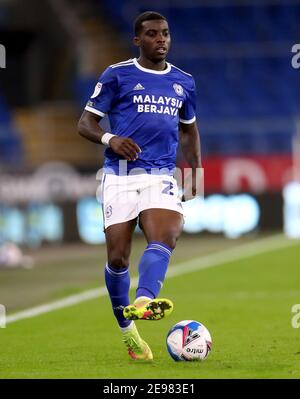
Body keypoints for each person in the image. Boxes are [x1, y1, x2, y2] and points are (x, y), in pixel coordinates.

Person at [77, 11, 202, 361]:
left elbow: (189, 129)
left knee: (166, 234)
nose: (160, 39)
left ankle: (145, 298)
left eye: (164, 33)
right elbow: (85, 122)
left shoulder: (184, 82)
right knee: (117, 258)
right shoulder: (117, 75)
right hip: (119, 175)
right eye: (151, 34)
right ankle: (127, 332)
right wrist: (110, 138)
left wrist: (194, 174)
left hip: (161, 174)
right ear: (138, 40)